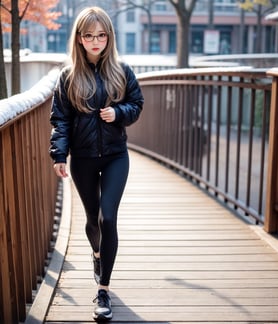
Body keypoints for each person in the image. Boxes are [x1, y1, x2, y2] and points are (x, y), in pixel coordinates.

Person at [49, 6, 143, 321]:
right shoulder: (68, 76)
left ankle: (102, 290)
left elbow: (136, 103)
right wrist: (59, 155)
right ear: (79, 38)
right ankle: (97, 254)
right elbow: (60, 119)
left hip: (117, 155)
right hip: (84, 159)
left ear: (109, 37)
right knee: (92, 221)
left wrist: (119, 113)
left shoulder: (122, 70)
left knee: (108, 218)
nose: (95, 41)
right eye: (89, 36)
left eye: (101, 35)